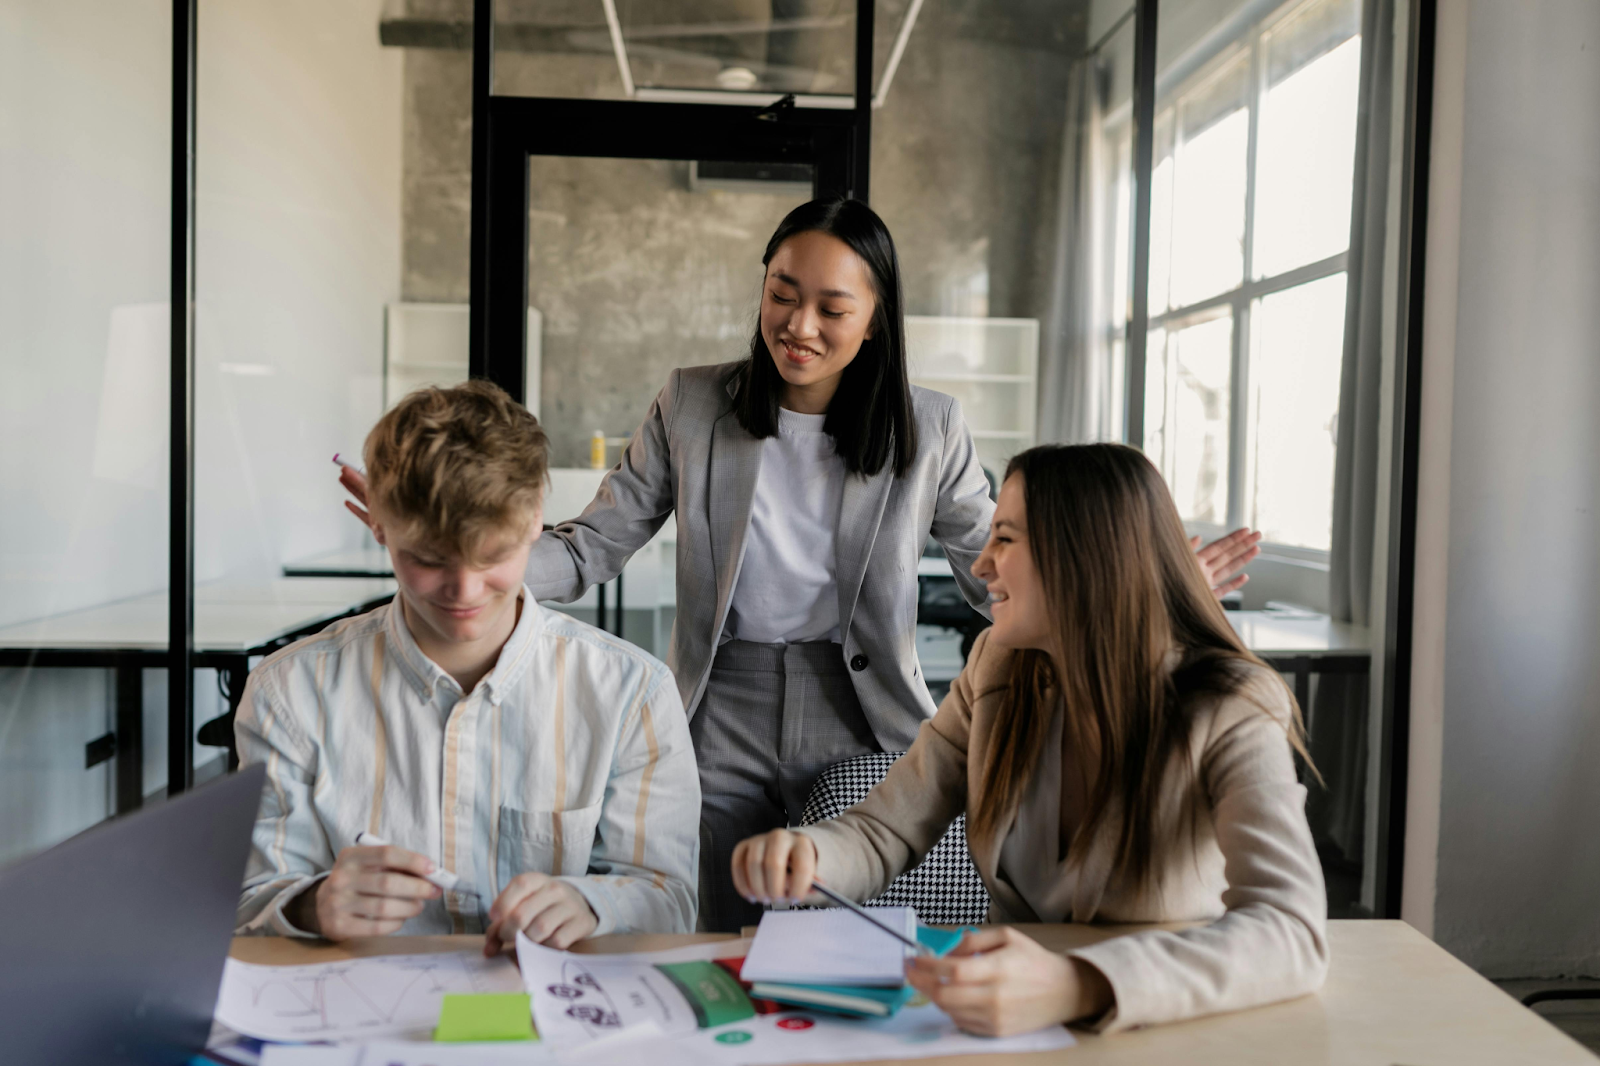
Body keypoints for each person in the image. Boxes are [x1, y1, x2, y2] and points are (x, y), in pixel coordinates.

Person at [340, 199, 1260, 933]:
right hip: (722, 698)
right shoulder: (694, 404)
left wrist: (1139, 575)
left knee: (850, 931)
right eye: (783, 292)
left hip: (863, 708)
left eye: (832, 306)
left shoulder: (928, 426)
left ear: (874, 318)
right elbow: (590, 547)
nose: (800, 324)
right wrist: (461, 544)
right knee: (714, 915)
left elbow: (995, 563)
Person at [731, 443, 1327, 1034]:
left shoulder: (1232, 704)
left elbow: (1290, 929)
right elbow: (887, 828)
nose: (982, 563)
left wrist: (1078, 984)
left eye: (1006, 539)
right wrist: (809, 855)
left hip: (1153, 1028)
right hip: (999, 1026)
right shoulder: (998, 663)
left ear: (1084, 558)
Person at [235, 382, 699, 951]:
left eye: (494, 557)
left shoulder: (632, 694)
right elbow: (251, 901)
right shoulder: (289, 691)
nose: (463, 591)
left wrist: (592, 904)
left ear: (535, 518)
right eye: (428, 561)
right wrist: (313, 903)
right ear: (377, 523)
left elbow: (671, 899)